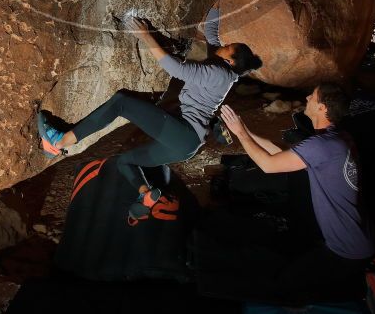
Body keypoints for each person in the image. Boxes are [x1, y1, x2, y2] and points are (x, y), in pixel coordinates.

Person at [38, 13, 262, 225]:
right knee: (126, 161)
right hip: (186, 148)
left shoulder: (217, 72)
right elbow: (212, 34)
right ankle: (145, 195)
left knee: (122, 102)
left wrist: (146, 36)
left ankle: (59, 141)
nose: (221, 46)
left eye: (227, 47)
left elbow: (176, 68)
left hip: (183, 134)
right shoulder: (229, 72)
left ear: (231, 61)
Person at [194, 83, 374, 304]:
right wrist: (243, 130)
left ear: (323, 108)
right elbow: (278, 153)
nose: (307, 97)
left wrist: (240, 133)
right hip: (354, 240)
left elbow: (269, 165)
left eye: (313, 96)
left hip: (346, 250)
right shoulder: (335, 138)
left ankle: (362, 288)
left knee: (285, 285)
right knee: (290, 264)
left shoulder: (322, 145)